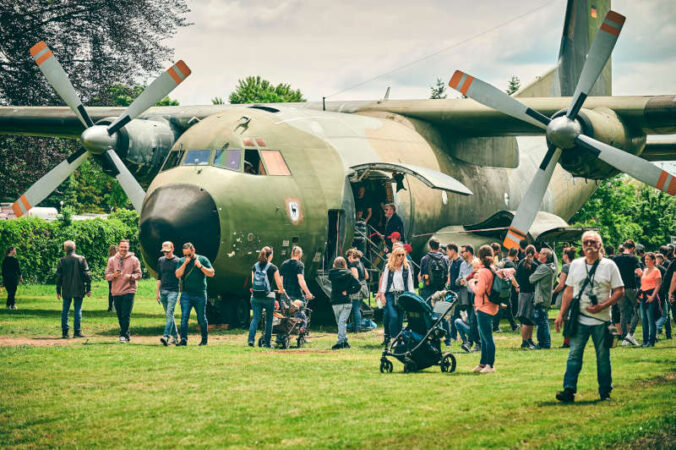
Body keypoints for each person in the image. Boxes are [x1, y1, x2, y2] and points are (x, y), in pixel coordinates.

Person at [555, 231, 624, 402]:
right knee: (574, 354)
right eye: (586, 242)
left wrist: (602, 305)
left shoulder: (609, 265)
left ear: (600, 245)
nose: (589, 245)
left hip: (601, 319)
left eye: (593, 242)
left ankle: (605, 391)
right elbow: (569, 291)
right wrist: (561, 314)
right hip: (579, 319)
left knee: (602, 356)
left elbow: (619, 291)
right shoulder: (576, 265)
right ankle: (569, 390)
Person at [175, 242, 215, 346]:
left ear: (193, 251)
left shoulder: (202, 259)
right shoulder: (181, 261)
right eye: (185, 255)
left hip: (200, 294)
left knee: (201, 318)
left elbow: (211, 273)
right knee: (184, 318)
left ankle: (204, 340)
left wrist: (200, 266)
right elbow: (178, 274)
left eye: (189, 254)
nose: (187, 257)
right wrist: (185, 263)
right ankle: (183, 339)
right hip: (186, 295)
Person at [468, 245, 499, 373]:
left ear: (480, 257)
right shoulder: (492, 269)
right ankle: (483, 363)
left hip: (483, 306)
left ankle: (490, 365)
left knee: (487, 337)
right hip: (491, 305)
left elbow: (479, 291)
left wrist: (471, 284)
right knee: (484, 337)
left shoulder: (483, 272)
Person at [105, 239, 142, 343]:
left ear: (128, 248)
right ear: (118, 247)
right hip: (116, 291)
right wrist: (113, 275)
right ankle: (126, 334)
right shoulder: (112, 260)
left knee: (126, 314)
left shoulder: (134, 260)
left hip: (129, 290)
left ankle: (123, 335)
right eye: (122, 247)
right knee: (120, 314)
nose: (123, 249)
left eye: (125, 247)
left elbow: (139, 275)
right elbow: (107, 276)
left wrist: (130, 276)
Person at [248, 247, 284, 348]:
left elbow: (252, 282)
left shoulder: (255, 266)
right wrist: (281, 290)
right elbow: (279, 283)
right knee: (269, 320)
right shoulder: (273, 267)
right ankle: (267, 343)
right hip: (269, 297)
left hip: (255, 297)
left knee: (255, 318)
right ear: (270, 255)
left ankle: (251, 340)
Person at [379, 246, 415, 345]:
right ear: (394, 256)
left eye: (403, 255)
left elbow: (410, 284)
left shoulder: (406, 267)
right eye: (399, 255)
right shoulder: (389, 267)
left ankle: (399, 339)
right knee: (393, 316)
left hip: (402, 295)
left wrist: (412, 296)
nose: (401, 257)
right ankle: (393, 338)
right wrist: (382, 294)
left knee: (400, 319)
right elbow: (385, 281)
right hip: (390, 294)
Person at [55, 240, 91, 338]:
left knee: (65, 310)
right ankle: (77, 331)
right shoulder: (81, 259)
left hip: (66, 288)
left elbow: (58, 276)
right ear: (74, 248)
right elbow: (87, 274)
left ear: (65, 249)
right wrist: (88, 288)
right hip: (79, 287)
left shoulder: (61, 260)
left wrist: (58, 290)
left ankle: (65, 332)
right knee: (77, 309)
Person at [329, 256, 362, 349]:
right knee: (342, 322)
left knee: (340, 322)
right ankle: (344, 341)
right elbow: (358, 285)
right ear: (344, 264)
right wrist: (348, 291)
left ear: (335, 264)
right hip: (346, 300)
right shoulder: (349, 274)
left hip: (335, 301)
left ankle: (340, 342)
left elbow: (331, 273)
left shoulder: (331, 274)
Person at [613, 240, 641, 346]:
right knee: (638, 309)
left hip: (619, 288)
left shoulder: (615, 258)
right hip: (631, 287)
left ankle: (624, 337)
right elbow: (639, 272)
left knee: (623, 313)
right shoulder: (633, 258)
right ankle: (631, 334)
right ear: (633, 248)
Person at [529, 247, 557, 349]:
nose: (538, 255)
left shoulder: (544, 268)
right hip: (546, 296)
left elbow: (531, 279)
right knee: (543, 320)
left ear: (545, 255)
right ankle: (545, 342)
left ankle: (543, 343)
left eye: (540, 253)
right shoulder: (552, 267)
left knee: (541, 322)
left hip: (541, 297)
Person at [156, 241, 179, 346]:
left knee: (169, 314)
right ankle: (175, 337)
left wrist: (181, 294)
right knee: (169, 315)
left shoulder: (177, 261)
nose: (166, 253)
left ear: (173, 249)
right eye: (164, 251)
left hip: (173, 291)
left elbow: (181, 278)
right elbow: (159, 277)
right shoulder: (160, 260)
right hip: (163, 291)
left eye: (168, 251)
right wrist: (157, 292)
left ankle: (166, 336)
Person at [516, 245, 539, 349]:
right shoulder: (535, 265)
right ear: (534, 254)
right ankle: (526, 340)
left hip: (522, 293)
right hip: (530, 293)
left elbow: (518, 277)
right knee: (528, 319)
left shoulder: (520, 264)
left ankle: (527, 340)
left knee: (525, 318)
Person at [636, 252, 661, 347]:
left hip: (651, 296)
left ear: (653, 260)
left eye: (648, 259)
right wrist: (639, 296)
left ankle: (651, 341)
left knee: (651, 320)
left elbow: (658, 285)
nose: (646, 261)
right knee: (644, 319)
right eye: (645, 259)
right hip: (643, 296)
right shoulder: (645, 270)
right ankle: (645, 341)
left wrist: (653, 296)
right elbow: (643, 284)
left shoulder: (656, 271)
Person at [553, 246, 576, 348]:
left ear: (566, 255)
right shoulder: (577, 265)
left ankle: (567, 341)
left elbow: (562, 284)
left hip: (567, 293)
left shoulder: (566, 267)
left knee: (565, 317)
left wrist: (553, 291)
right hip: (576, 293)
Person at [346, 248, 369, 333]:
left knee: (355, 308)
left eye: (348, 258)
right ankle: (357, 326)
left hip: (357, 288)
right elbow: (367, 276)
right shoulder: (361, 264)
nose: (348, 260)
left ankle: (357, 328)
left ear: (351, 256)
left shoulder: (353, 265)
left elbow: (355, 277)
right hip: (363, 286)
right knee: (358, 307)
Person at [106, 245, 117, 312]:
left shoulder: (109, 258)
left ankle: (110, 306)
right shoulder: (114, 258)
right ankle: (112, 306)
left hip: (110, 276)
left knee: (111, 292)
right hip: (114, 276)